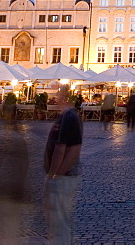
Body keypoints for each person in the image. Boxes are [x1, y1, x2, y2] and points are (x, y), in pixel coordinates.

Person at [44, 97, 83, 245]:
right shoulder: (69, 116)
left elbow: (65, 149)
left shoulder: (69, 117)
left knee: (58, 224)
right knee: (59, 223)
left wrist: (54, 175)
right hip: (64, 176)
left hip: (63, 177)